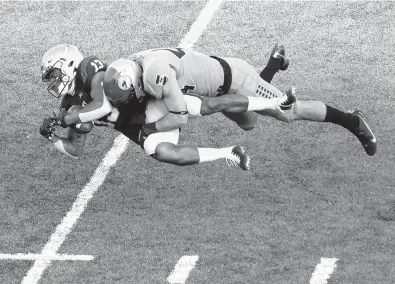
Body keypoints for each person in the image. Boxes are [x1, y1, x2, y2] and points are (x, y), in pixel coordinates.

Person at [103, 46, 377, 156]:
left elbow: (179, 117)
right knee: (249, 123)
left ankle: (352, 120)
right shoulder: (138, 64)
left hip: (235, 79)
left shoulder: (154, 76)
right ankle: (274, 63)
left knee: (288, 112)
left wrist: (148, 130)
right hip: (220, 88)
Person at [39, 44, 113, 157]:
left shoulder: (86, 68)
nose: (52, 83)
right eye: (49, 79)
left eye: (53, 75)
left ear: (69, 64)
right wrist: (49, 135)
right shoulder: (68, 104)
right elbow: (75, 150)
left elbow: (104, 106)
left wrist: (65, 120)